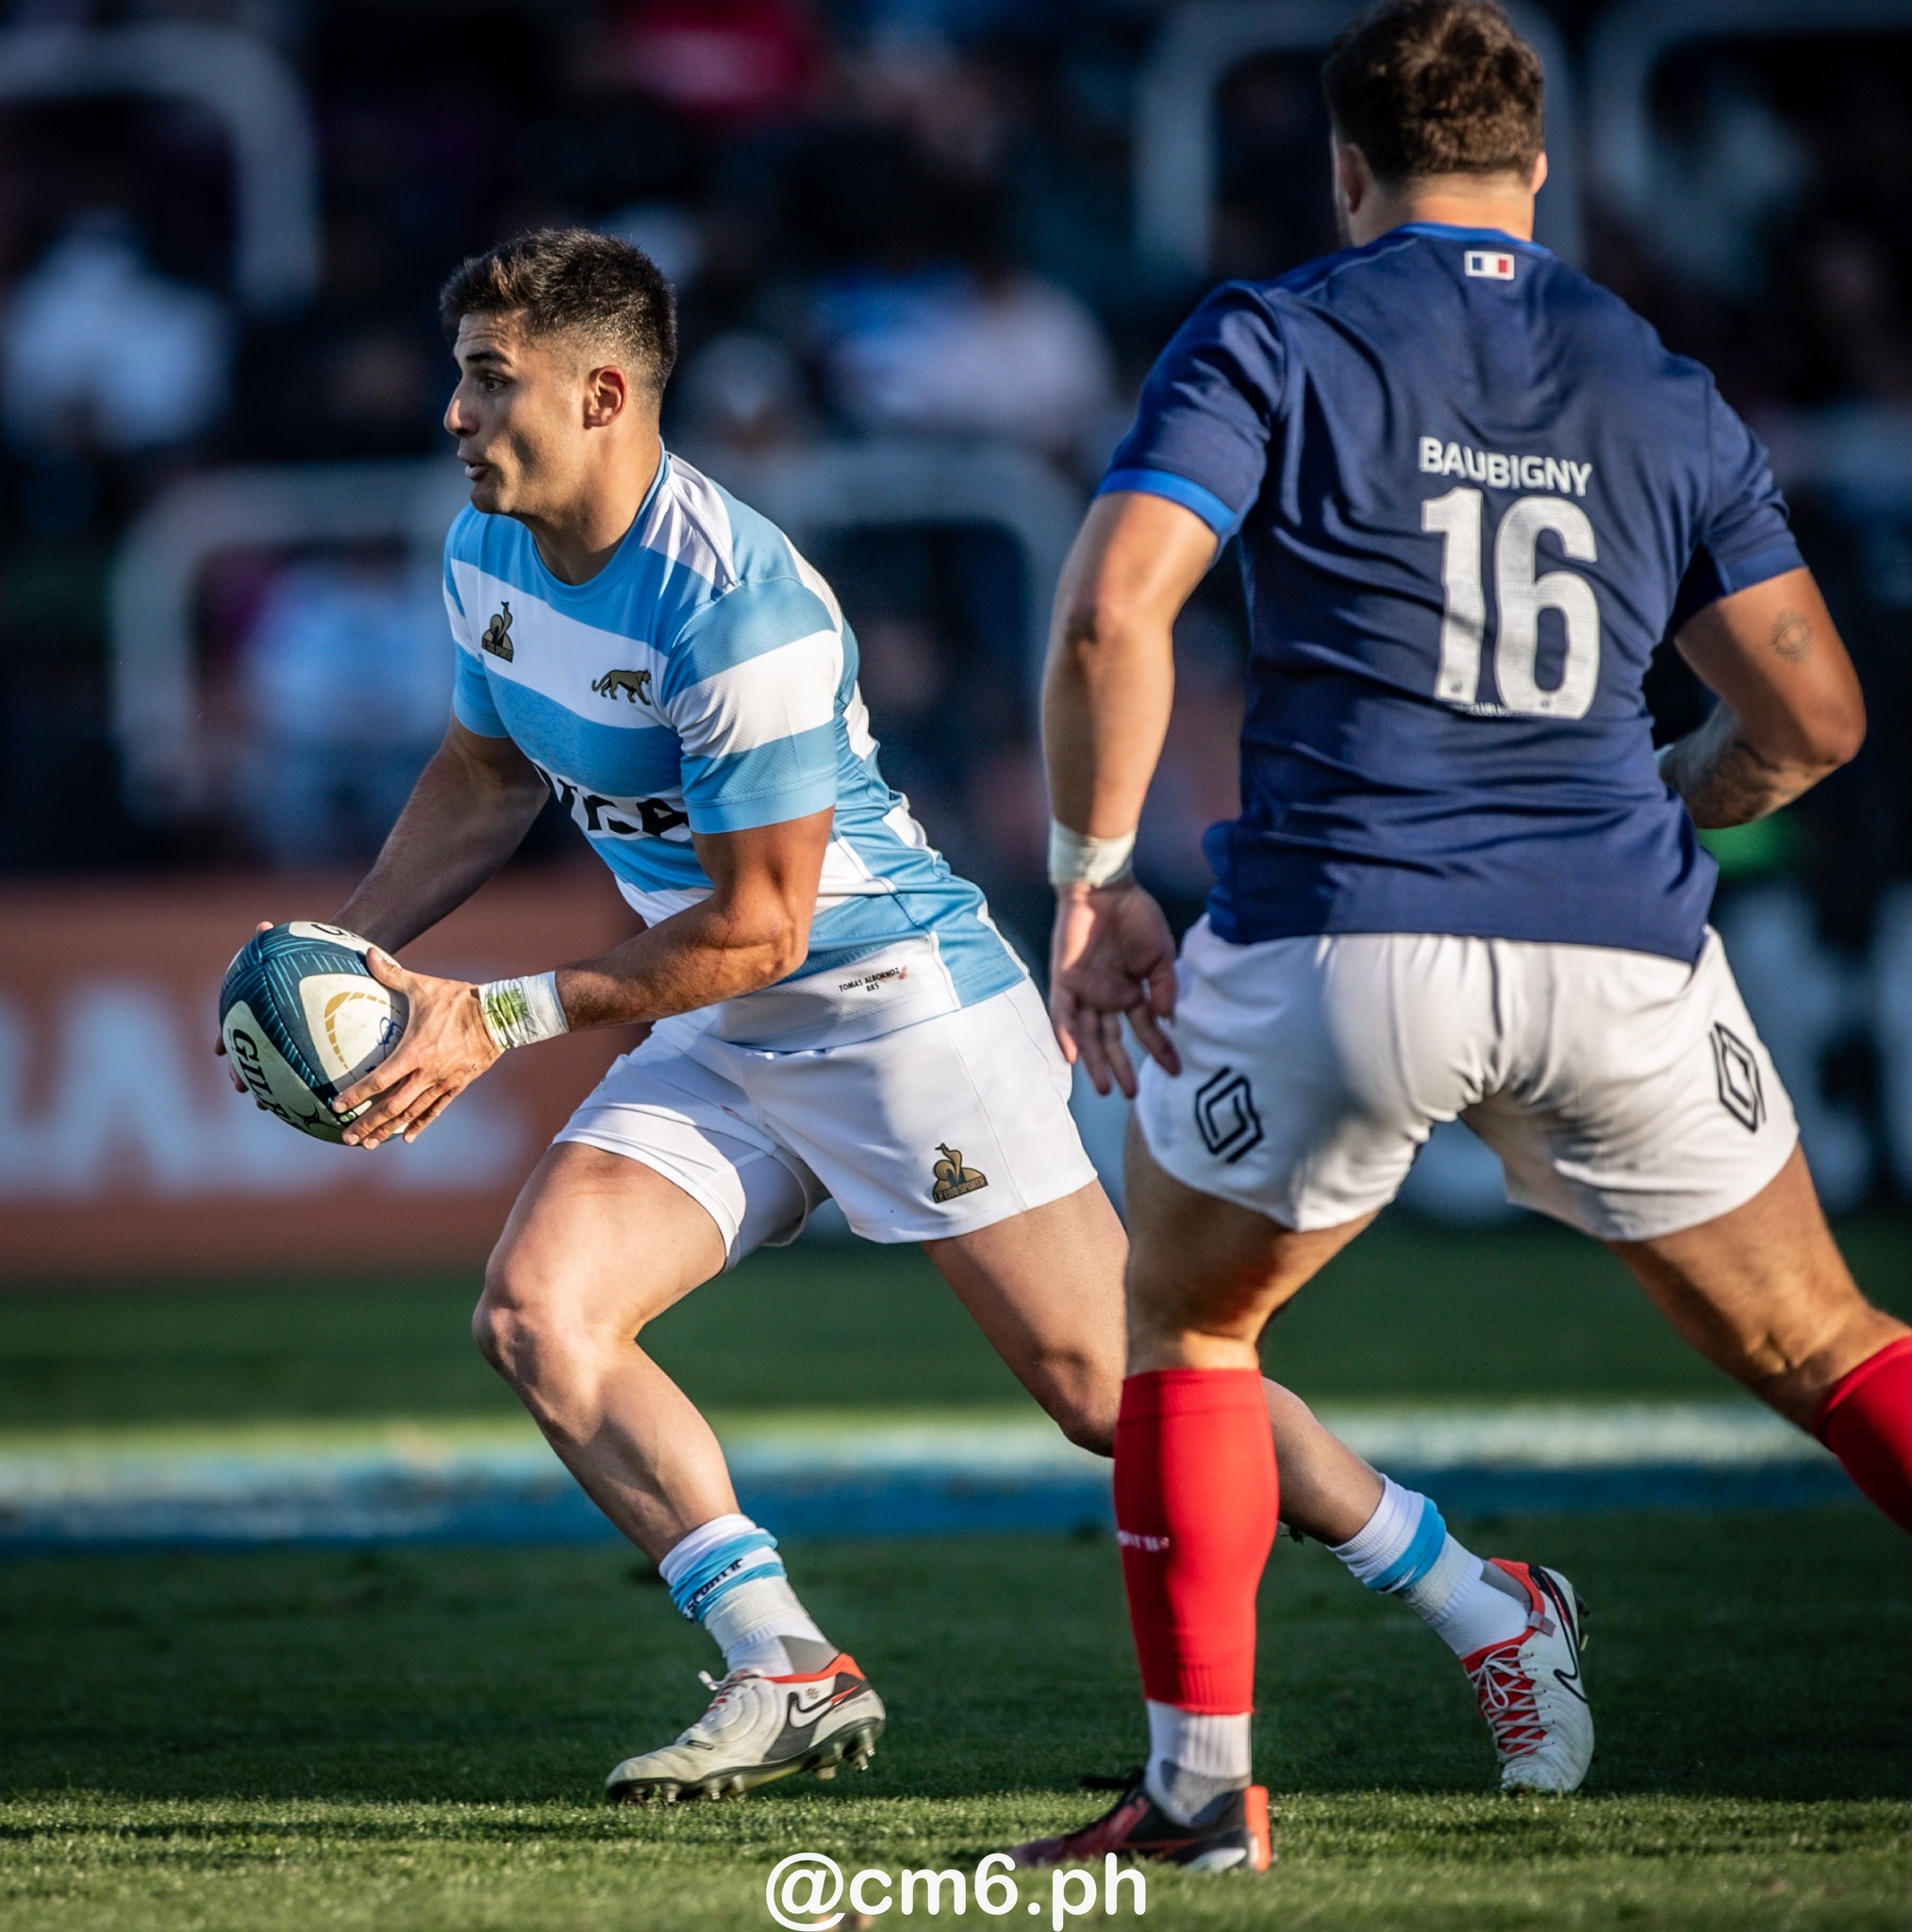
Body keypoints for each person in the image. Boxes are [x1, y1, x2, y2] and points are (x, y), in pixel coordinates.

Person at [262, 226, 1594, 1809]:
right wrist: (343, 956)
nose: (455, 414)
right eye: (461, 377)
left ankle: (1484, 1601)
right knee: (538, 1315)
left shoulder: (734, 607)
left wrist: (495, 1016)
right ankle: (782, 1665)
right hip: (726, 1022)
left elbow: (763, 924)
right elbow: (486, 774)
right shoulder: (487, 549)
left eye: (491, 380)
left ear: (604, 393)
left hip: (897, 1011)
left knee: (1116, 1396)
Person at [1018, 0, 1909, 1874]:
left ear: (1348, 169)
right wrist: (1673, 790)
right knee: (1828, 1343)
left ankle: (1200, 1795)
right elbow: (1818, 719)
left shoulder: (1275, 334)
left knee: (1192, 1327)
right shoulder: (1660, 379)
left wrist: (1094, 879)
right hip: (1621, 944)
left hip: (1349, 933)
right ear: (1542, 170)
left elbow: (1112, 613)